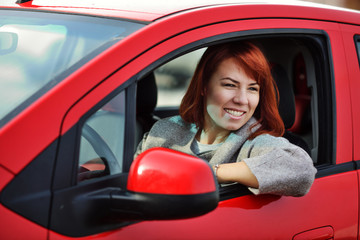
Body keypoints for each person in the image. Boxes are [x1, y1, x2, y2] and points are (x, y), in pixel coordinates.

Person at [134, 41, 317, 197]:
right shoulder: (162, 132)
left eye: (252, 89)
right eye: (230, 85)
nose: (242, 99)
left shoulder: (255, 142)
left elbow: (302, 170)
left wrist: (210, 173)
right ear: (204, 86)